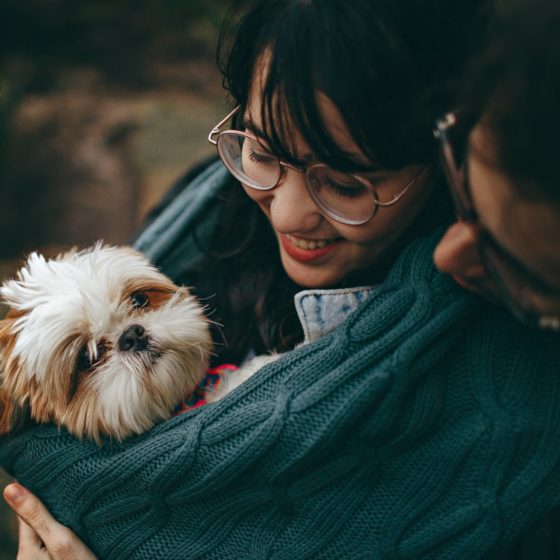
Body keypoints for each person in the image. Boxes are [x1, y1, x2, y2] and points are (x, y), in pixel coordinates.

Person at [3, 0, 560, 558]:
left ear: (445, 157)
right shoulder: (203, 211)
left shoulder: (510, 380)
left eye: (344, 183)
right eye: (262, 150)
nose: (289, 215)